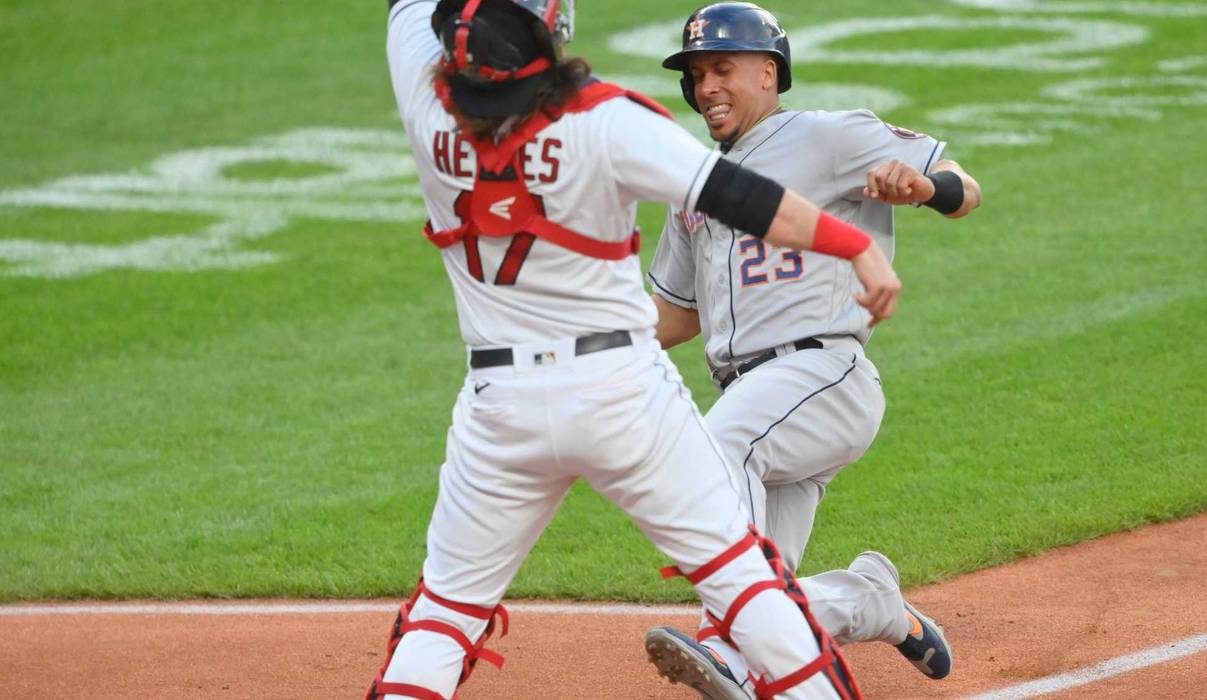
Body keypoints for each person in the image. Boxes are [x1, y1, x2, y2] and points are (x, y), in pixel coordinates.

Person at [371, 0, 909, 698]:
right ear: (550, 25)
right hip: (620, 393)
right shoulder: (605, 118)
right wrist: (854, 244)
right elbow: (741, 196)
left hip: (497, 409)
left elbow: (409, 12)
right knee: (745, 584)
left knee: (442, 617)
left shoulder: (427, 108)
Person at [641, 3, 983, 699]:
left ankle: (718, 645)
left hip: (822, 373)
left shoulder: (829, 136)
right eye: (696, 73)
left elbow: (963, 190)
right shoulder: (694, 181)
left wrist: (920, 187)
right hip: (755, 397)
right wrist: (578, 342)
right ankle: (868, 602)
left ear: (768, 73)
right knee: (768, 600)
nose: (705, 87)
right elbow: (676, 316)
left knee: (713, 454)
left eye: (721, 69)